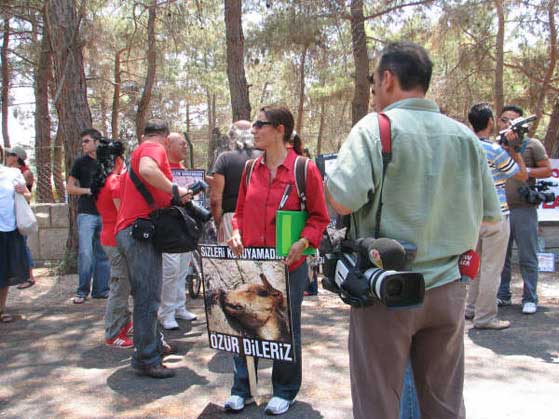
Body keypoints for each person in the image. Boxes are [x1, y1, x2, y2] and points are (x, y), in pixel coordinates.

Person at [326, 42, 501, 419]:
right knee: (444, 404)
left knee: (378, 403)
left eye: (374, 83)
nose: (374, 92)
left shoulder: (375, 128)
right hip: (449, 290)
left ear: (387, 79)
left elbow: (341, 199)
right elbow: (490, 216)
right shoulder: (466, 137)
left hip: (387, 291)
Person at [224, 105, 329, 415]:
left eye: (260, 124)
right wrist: (236, 233)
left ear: (280, 129)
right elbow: (240, 213)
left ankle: (284, 390)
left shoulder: (304, 169)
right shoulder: (248, 170)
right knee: (242, 323)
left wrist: (304, 241)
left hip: (288, 267)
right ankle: (242, 388)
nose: (253, 130)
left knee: (285, 326)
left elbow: (319, 217)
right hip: (251, 263)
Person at [115, 120, 192, 378]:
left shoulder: (141, 148)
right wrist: (175, 189)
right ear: (165, 136)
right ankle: (146, 358)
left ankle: (154, 345)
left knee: (148, 293)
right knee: (148, 296)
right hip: (139, 232)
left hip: (136, 230)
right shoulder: (152, 147)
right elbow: (148, 170)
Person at [465, 103, 528, 329]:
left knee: (475, 266)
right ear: (490, 122)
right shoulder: (494, 150)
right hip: (496, 215)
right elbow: (521, 175)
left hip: (472, 216)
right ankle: (485, 317)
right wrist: (515, 149)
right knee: (492, 268)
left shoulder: (464, 146)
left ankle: (471, 308)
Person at [498, 105, 552, 315]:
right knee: (502, 257)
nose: (507, 124)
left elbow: (547, 170)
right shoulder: (497, 146)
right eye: (504, 119)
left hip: (524, 210)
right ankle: (503, 294)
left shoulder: (532, 145)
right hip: (501, 209)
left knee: (528, 256)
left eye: (512, 120)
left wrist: (525, 170)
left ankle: (530, 297)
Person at [90, 140, 133, 348]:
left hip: (108, 236)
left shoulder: (100, 181)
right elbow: (122, 212)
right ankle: (113, 332)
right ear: (117, 159)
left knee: (121, 283)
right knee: (120, 286)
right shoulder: (115, 181)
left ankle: (124, 324)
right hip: (116, 238)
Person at [159, 132, 197, 330]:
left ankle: (179, 307)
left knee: (183, 268)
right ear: (169, 145)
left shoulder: (184, 170)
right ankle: (165, 313)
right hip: (169, 224)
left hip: (186, 224)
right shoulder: (161, 169)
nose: (185, 147)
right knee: (170, 270)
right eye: (181, 144)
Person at [67, 129, 110, 304]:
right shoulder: (80, 163)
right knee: (85, 253)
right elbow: (69, 188)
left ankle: (101, 290)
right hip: (86, 214)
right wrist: (88, 191)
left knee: (103, 254)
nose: (83, 145)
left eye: (86, 141)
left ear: (96, 142)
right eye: (82, 142)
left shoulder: (108, 161)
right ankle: (82, 291)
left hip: (105, 214)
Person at [210, 120, 261, 244]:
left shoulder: (224, 158)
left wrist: (219, 222)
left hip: (231, 218)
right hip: (261, 217)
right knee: (260, 260)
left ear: (232, 136)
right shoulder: (265, 157)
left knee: (231, 261)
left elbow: (215, 199)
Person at [0, 145, 31, 322]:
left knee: (3, 273)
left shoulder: (12, 174)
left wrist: (23, 192)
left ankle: (1, 309)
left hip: (7, 228)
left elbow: (27, 196)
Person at [5, 145, 36, 290]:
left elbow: (28, 194)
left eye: (10, 154)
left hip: (19, 213)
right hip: (11, 213)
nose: (7, 157)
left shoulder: (25, 173)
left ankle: (28, 276)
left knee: (23, 246)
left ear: (16, 157)